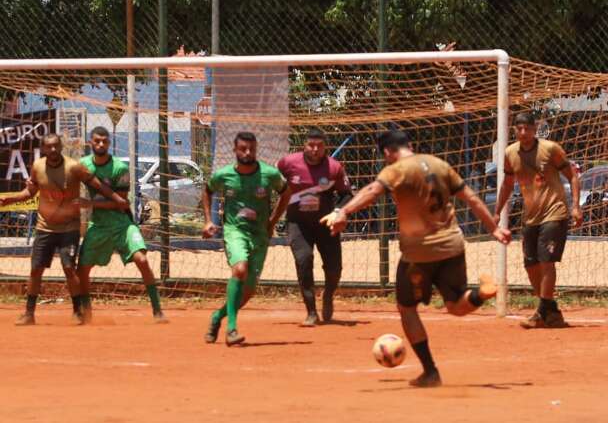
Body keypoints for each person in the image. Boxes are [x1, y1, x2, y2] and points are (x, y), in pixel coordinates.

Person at [321, 130, 511, 388]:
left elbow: (372, 191)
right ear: (409, 144)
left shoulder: (396, 169)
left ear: (387, 152)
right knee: (456, 305)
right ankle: (479, 295)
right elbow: (472, 199)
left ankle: (430, 372)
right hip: (453, 245)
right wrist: (494, 229)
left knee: (407, 308)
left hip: (418, 253)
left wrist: (343, 211)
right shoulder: (439, 164)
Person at [0, 134, 128, 325]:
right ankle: (29, 313)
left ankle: (77, 311)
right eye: (49, 147)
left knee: (69, 268)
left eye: (56, 146)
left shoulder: (73, 167)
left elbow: (97, 185)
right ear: (43, 149)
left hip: (69, 228)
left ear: (61, 147)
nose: (52, 150)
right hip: (45, 228)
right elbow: (31, 191)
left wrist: (117, 199)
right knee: (36, 270)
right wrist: (12, 199)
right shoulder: (37, 167)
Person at [202, 131, 291, 346]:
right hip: (235, 231)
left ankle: (217, 317)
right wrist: (207, 220)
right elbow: (207, 191)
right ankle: (231, 330)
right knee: (239, 269)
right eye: (243, 148)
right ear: (235, 150)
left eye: (251, 149)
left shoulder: (268, 174)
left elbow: (286, 193)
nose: (247, 152)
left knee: (248, 291)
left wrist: (271, 222)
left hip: (260, 235)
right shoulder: (223, 175)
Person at [494, 112, 582, 329]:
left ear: (535, 129)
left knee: (546, 262)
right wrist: (496, 212)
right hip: (530, 217)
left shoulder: (550, 149)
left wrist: (576, 206)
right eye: (519, 128)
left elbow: (572, 175)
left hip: (555, 212)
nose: (523, 133)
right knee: (530, 264)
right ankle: (552, 313)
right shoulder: (509, 153)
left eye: (527, 128)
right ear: (514, 130)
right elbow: (507, 184)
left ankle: (541, 311)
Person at [75, 126, 168, 324]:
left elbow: (121, 203)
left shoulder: (120, 168)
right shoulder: (82, 164)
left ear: (109, 143)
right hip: (98, 225)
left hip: (121, 223)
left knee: (142, 260)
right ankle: (87, 312)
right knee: (82, 269)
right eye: (97, 140)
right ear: (90, 142)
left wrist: (89, 203)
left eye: (104, 141)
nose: (100, 144)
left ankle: (157, 310)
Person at [277, 128, 353, 326]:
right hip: (298, 223)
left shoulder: (334, 168)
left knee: (334, 267)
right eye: (311, 145)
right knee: (304, 260)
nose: (315, 149)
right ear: (304, 145)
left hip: (325, 224)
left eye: (319, 146)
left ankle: (328, 295)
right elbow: (271, 179)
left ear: (325, 146)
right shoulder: (288, 163)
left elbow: (346, 194)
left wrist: (337, 211)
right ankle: (311, 311)